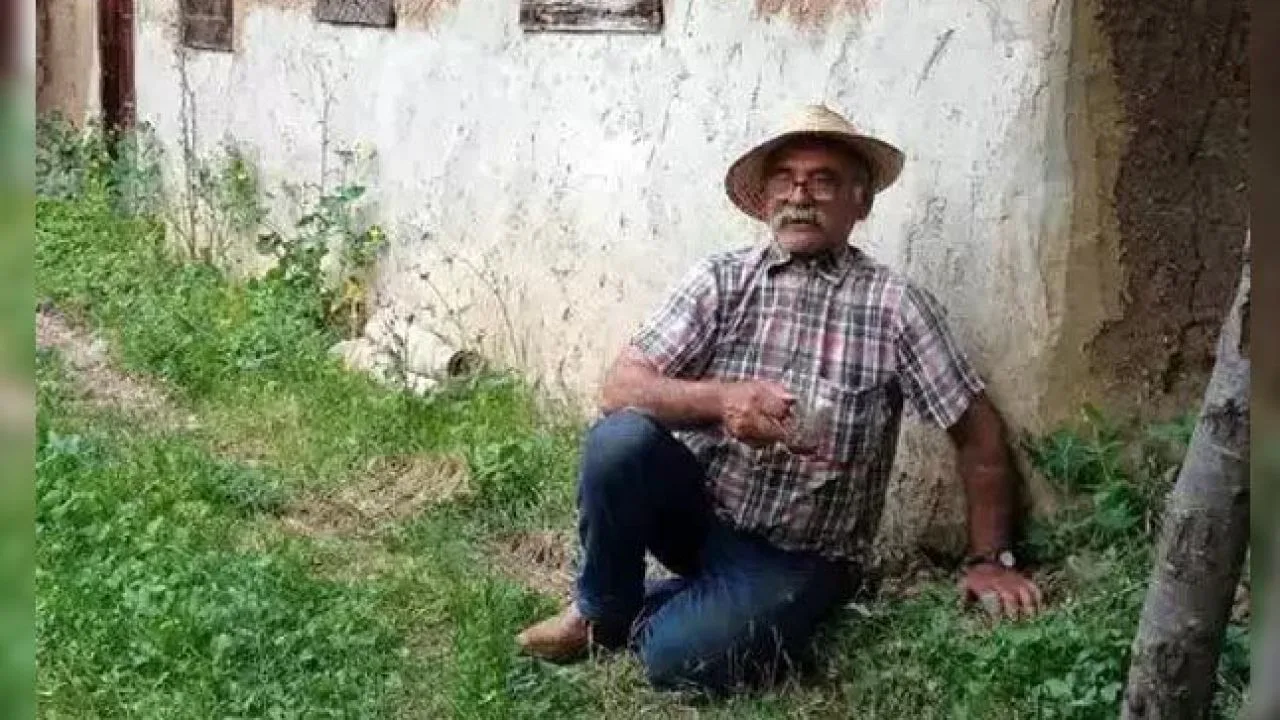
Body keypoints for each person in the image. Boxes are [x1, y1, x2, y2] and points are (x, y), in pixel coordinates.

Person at [515, 104, 1043, 694]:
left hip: (801, 557)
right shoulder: (722, 279)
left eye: (823, 181)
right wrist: (722, 400)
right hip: (700, 517)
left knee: (677, 662)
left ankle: (684, 613)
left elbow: (977, 432)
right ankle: (602, 611)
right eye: (785, 180)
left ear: (860, 202)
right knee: (620, 441)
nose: (800, 196)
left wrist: (990, 560)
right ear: (765, 198)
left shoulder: (895, 307)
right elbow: (620, 387)